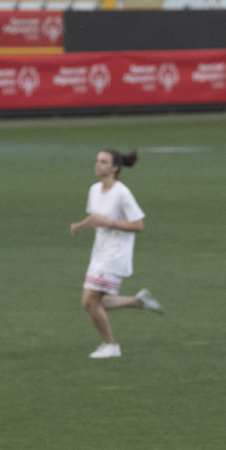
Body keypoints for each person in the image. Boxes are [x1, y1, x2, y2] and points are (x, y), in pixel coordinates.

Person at [70, 149, 161, 358]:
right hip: (99, 252)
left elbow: (138, 224)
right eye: (97, 160)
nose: (98, 164)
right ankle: (139, 302)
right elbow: (95, 217)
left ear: (115, 168)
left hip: (115, 254)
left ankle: (110, 345)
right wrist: (80, 225)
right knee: (92, 303)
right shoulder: (94, 189)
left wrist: (110, 223)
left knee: (90, 302)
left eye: (103, 162)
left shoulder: (122, 193)